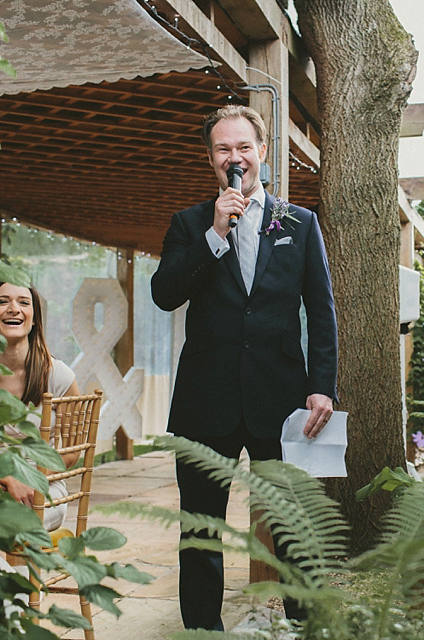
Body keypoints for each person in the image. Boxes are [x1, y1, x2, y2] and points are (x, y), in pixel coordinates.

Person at [150, 105, 338, 631]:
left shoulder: (300, 223)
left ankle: (303, 625)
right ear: (211, 159)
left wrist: (322, 386)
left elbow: (321, 311)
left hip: (281, 399)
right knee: (201, 529)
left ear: (262, 152)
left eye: (243, 147)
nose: (235, 157)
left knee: (293, 525)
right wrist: (213, 234)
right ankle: (203, 629)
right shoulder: (188, 224)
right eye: (223, 149)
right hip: (204, 401)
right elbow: (164, 295)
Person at [0, 279, 80, 532]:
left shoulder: (58, 375)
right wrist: (7, 480)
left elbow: (72, 451)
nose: (14, 308)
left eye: (24, 302)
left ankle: (16, 571)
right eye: (3, 302)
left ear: (34, 319)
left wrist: (30, 481)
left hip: (42, 483)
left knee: (14, 521)